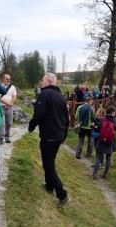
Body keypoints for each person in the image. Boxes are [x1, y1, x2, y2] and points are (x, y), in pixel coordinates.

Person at [28, 73, 71, 208]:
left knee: (48, 165)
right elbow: (67, 119)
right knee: (50, 161)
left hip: (49, 136)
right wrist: (64, 136)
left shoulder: (45, 94)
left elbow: (38, 114)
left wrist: (31, 126)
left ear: (49, 82)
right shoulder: (61, 97)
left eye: (43, 80)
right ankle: (49, 186)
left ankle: (62, 195)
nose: (41, 82)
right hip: (58, 136)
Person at [92, 106, 116, 179]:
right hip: (111, 141)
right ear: (112, 112)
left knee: (99, 157)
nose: (115, 113)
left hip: (102, 140)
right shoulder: (115, 121)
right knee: (108, 158)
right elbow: (115, 131)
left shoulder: (102, 119)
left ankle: (94, 173)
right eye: (114, 112)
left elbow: (99, 128)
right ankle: (105, 174)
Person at [0, 74, 17, 143]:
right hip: (1, 107)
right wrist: (7, 103)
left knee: (9, 122)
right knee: (2, 123)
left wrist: (9, 104)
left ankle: (7, 137)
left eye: (9, 79)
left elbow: (14, 97)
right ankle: (1, 137)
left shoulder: (12, 87)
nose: (8, 80)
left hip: (10, 107)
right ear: (3, 78)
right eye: (7, 78)